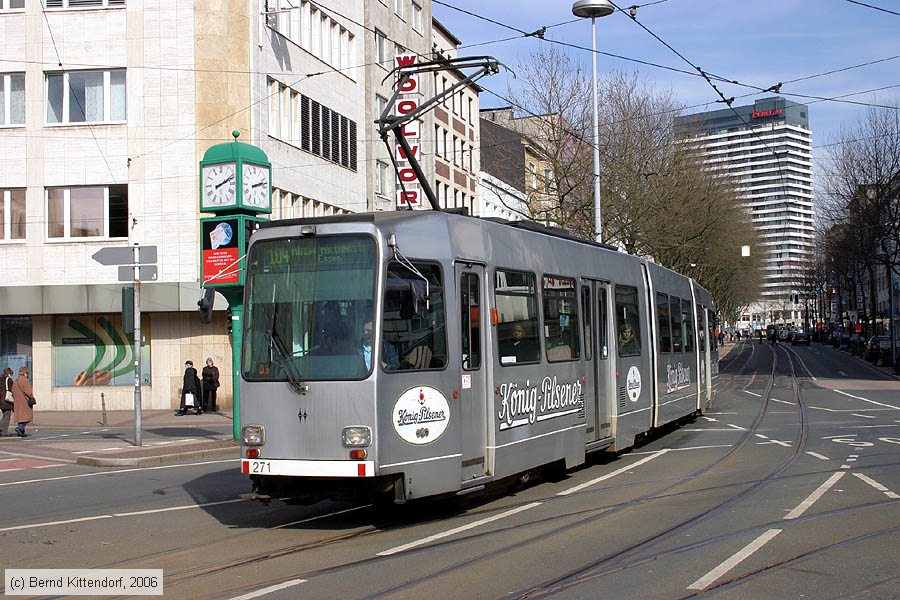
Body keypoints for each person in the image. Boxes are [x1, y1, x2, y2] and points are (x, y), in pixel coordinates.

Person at [11, 366, 35, 437]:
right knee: (28, 416)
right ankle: (20, 428)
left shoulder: (16, 380)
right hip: (25, 401)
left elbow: (13, 391)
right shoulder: (25, 380)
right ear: (25, 373)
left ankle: (21, 432)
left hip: (17, 401)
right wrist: (31, 397)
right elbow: (28, 391)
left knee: (20, 417)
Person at [1, 367, 14, 436]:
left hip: (1, 401)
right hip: (6, 401)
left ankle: (2, 430)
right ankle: (4, 431)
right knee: (7, 416)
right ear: (9, 373)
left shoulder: (0, 379)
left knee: (4, 415)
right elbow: (13, 390)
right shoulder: (9, 380)